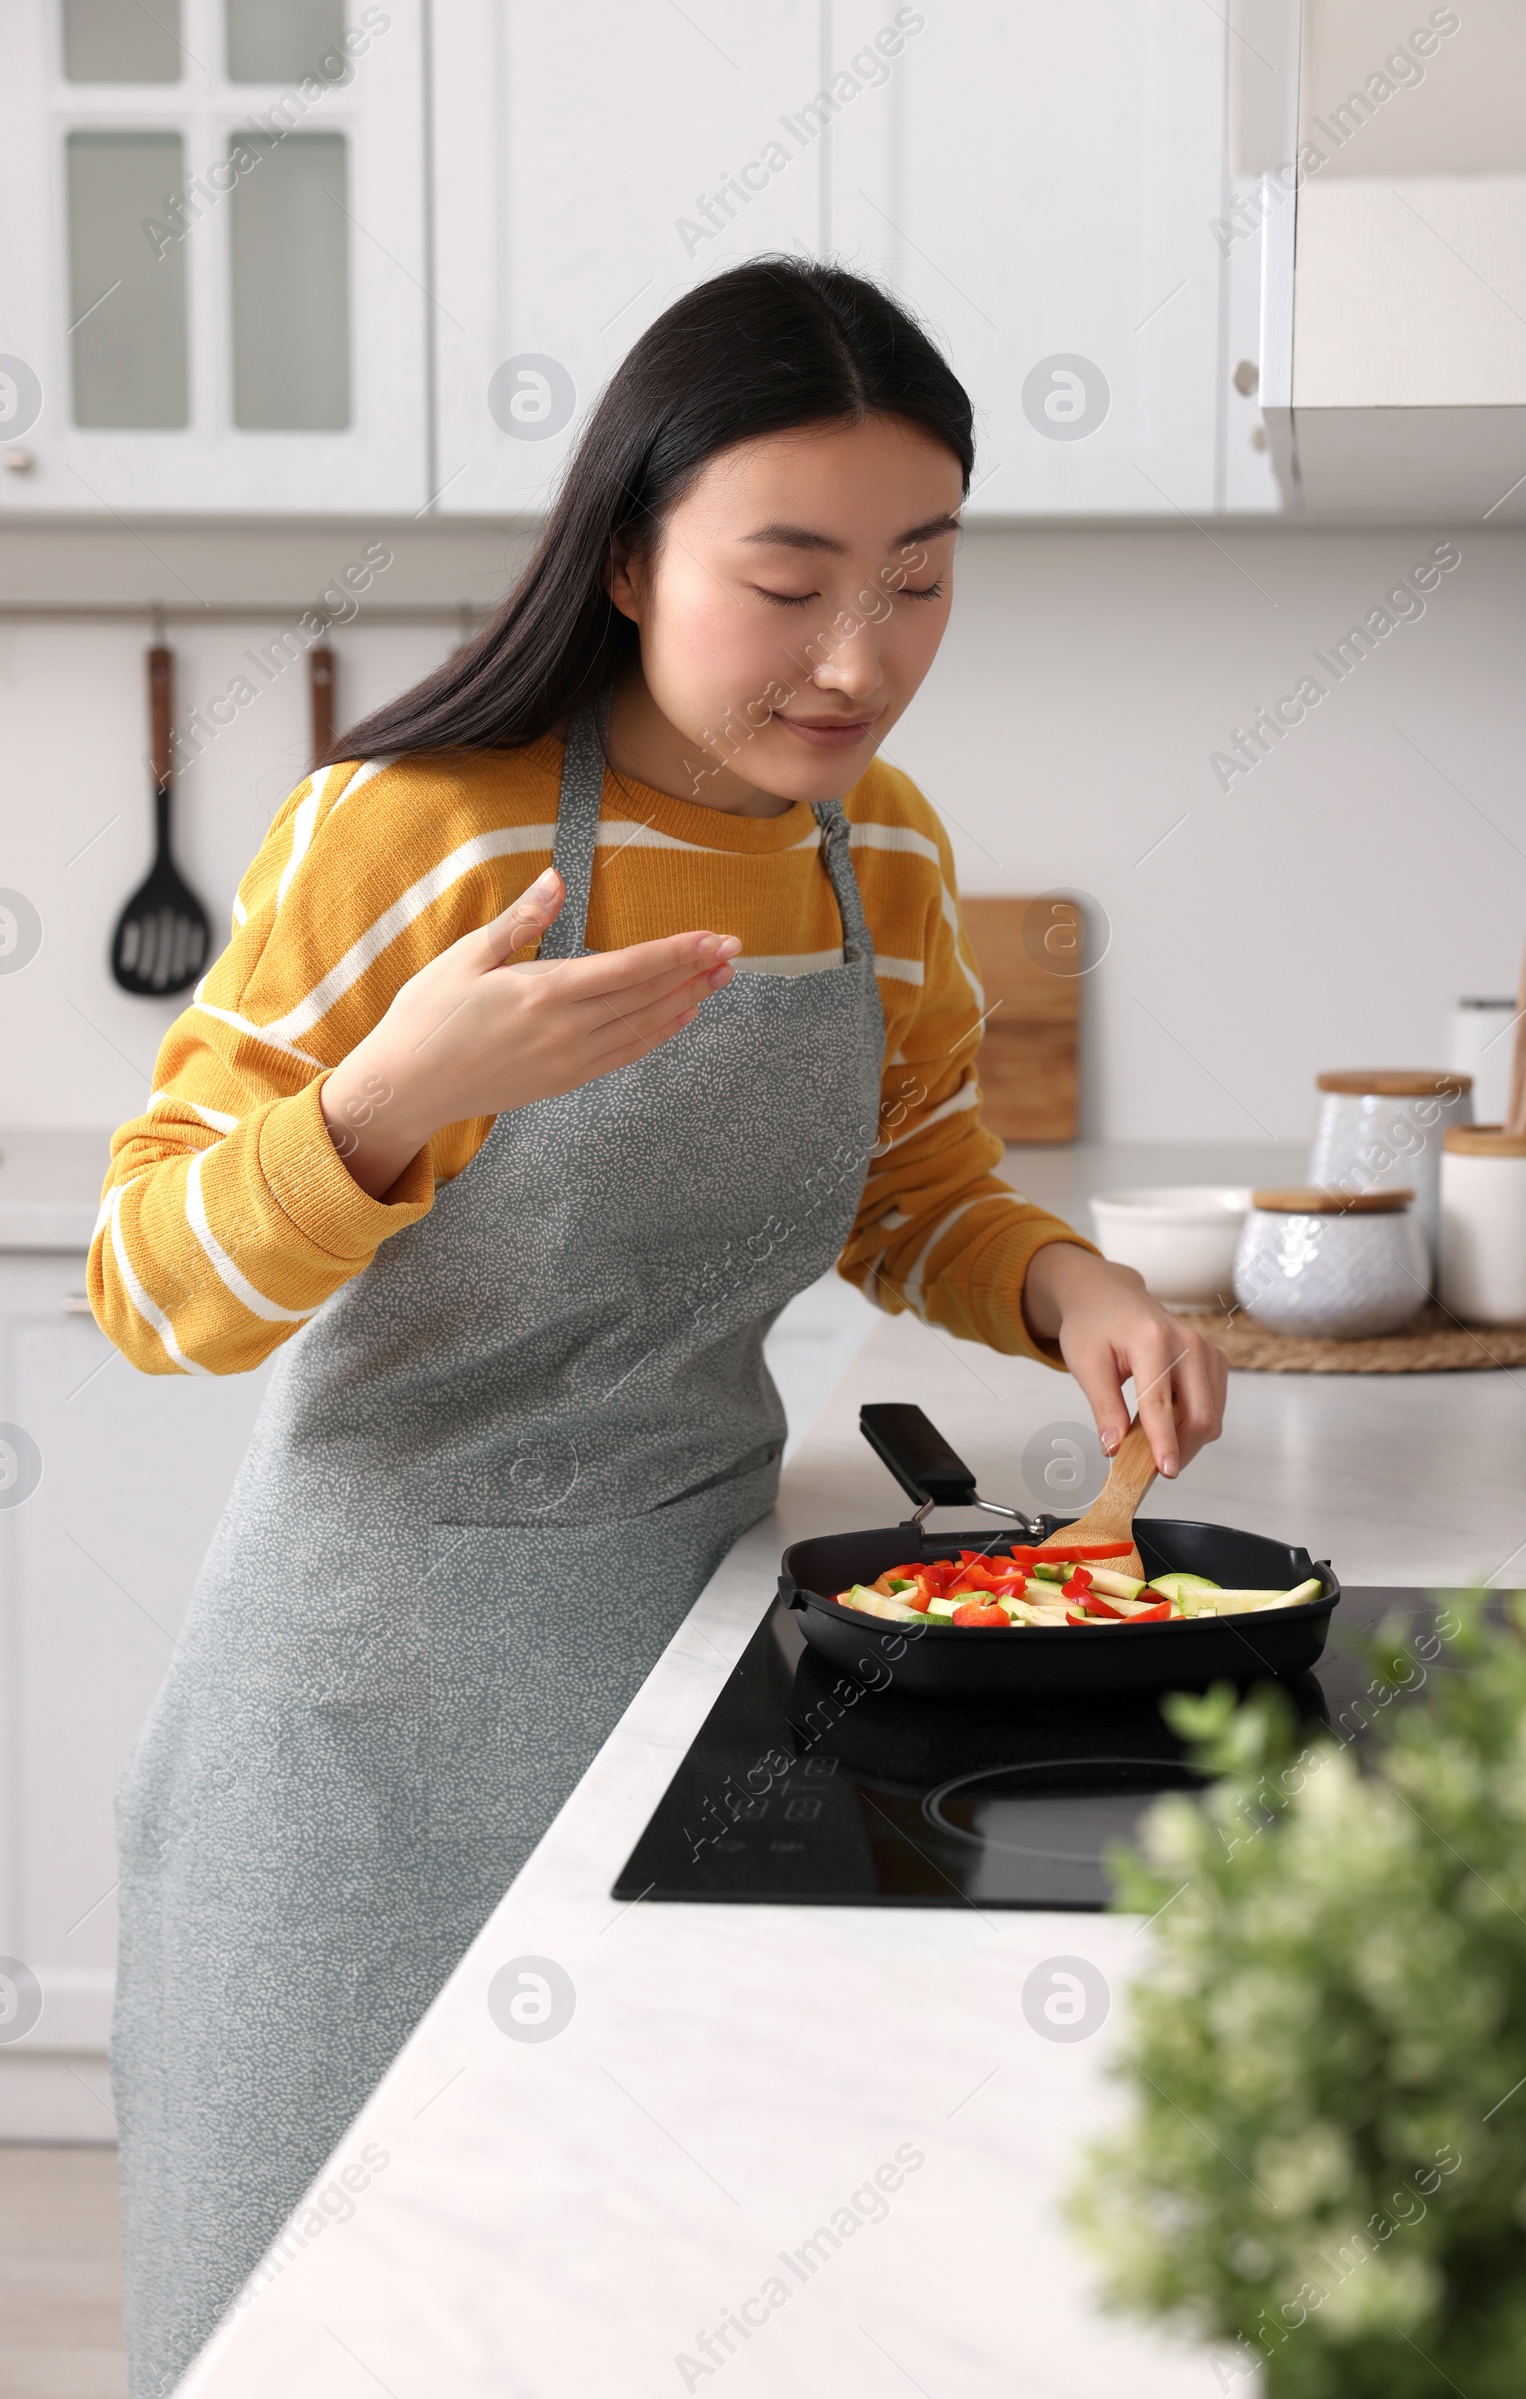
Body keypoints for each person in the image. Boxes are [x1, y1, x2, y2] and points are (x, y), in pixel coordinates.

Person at [90, 256, 1227, 2394]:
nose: (855, 656)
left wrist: (1064, 1281)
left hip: (702, 1682)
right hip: (355, 1739)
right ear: (626, 554)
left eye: (916, 579)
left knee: (646, 2323)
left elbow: (911, 1192)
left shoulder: (874, 851)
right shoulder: (408, 830)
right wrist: (385, 1101)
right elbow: (149, 1293)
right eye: (784, 578)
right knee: (322, 2334)